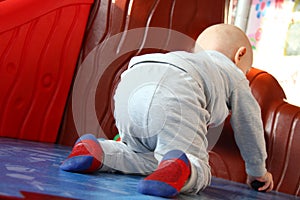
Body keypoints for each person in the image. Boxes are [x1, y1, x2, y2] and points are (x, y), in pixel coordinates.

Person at [60, 24, 274, 198]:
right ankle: (183, 169)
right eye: (246, 70)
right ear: (240, 55)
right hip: (178, 89)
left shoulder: (187, 58)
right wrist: (257, 171)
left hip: (132, 83)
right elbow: (249, 123)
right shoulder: (233, 73)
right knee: (196, 164)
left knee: (143, 155)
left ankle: (98, 151)